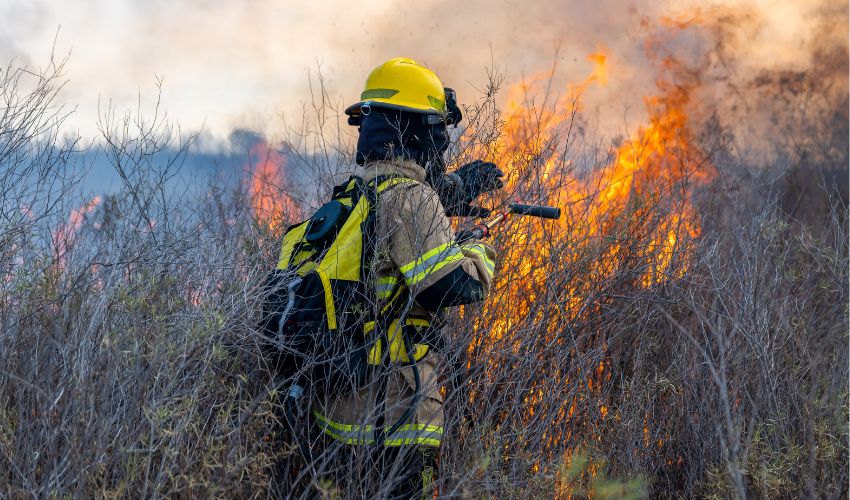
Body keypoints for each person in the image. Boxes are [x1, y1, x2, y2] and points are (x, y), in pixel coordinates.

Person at [307, 57, 504, 498]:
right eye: (437, 125)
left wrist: (447, 192)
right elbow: (453, 285)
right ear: (414, 129)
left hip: (337, 413)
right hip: (394, 417)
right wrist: (477, 246)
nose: (443, 139)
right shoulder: (411, 199)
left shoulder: (356, 194)